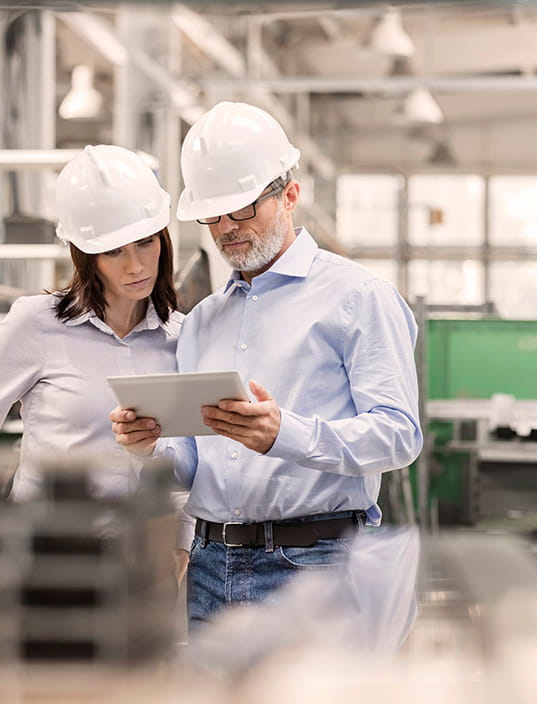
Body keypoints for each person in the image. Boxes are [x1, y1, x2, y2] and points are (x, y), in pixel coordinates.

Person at [110, 101, 422, 630]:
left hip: (316, 565)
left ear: (290, 195)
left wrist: (286, 434)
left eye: (243, 210)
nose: (227, 228)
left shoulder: (358, 297)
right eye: (213, 215)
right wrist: (149, 448)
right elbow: (190, 465)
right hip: (211, 565)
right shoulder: (204, 320)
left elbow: (399, 436)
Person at [0, 145, 193, 572]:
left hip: (139, 562)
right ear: (85, 254)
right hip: (44, 557)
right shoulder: (36, 324)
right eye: (114, 251)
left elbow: (186, 468)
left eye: (145, 243)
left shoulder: (182, 337)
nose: (135, 265)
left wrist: (180, 550)